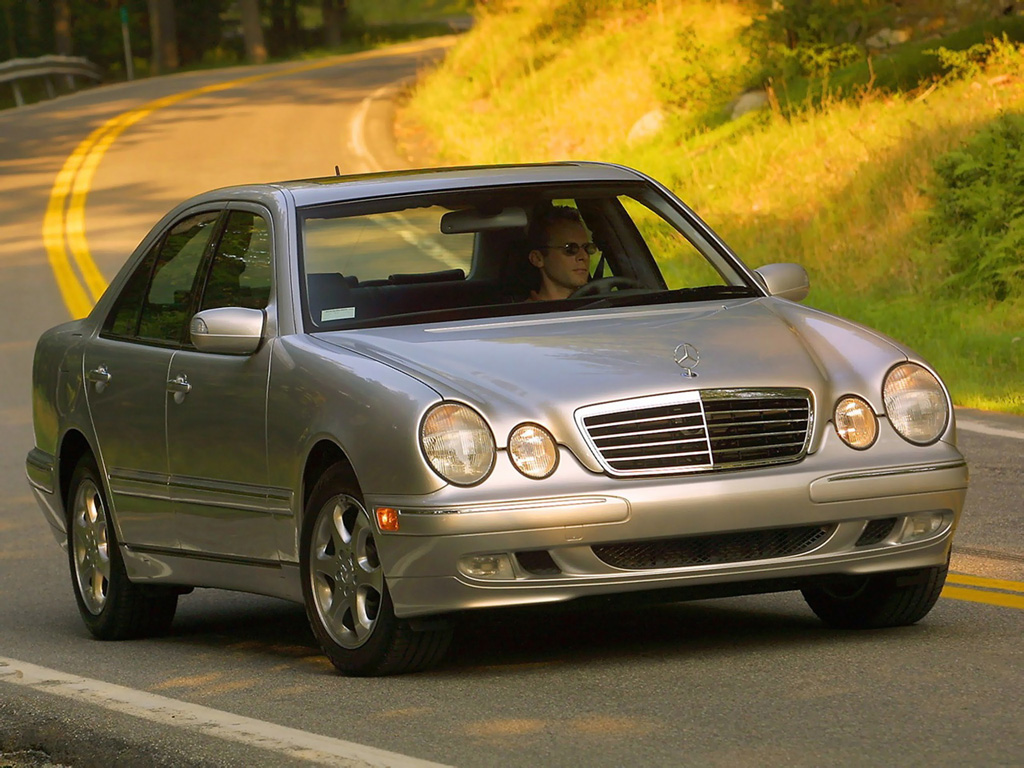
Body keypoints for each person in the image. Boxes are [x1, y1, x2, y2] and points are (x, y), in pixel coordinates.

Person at [524, 206, 598, 301]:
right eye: (570, 249)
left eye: (587, 248)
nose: (584, 256)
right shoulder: (526, 310)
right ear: (537, 259)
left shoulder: (604, 304)